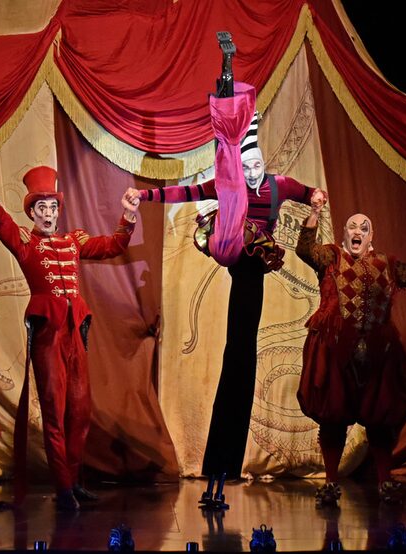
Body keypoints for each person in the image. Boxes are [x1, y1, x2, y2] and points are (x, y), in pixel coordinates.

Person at [125, 97, 327, 482]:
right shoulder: (228, 184)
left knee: (240, 351)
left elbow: (308, 192)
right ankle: (222, 459)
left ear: (264, 165)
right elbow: (183, 195)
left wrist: (317, 196)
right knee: (238, 350)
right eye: (247, 166)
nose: (253, 173)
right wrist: (146, 195)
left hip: (255, 268)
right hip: (233, 252)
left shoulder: (278, 185)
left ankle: (225, 460)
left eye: (257, 165)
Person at [0, 152, 140, 511]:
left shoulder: (72, 241)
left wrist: (128, 216)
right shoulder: (27, 245)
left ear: (58, 211)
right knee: (55, 413)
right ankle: (62, 488)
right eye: (41, 208)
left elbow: (112, 246)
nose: (47, 213)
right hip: (48, 337)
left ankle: (73, 481)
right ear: (32, 213)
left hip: (75, 334)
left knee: (80, 411)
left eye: (52, 208)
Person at [295, 199, 406, 506]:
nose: (358, 230)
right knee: (333, 418)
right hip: (336, 350)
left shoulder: (386, 265)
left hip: (377, 353)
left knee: (379, 419)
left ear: (371, 236)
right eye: (352, 226)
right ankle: (331, 482)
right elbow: (304, 251)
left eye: (364, 227)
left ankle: (385, 480)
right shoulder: (331, 257)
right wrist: (313, 214)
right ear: (344, 234)